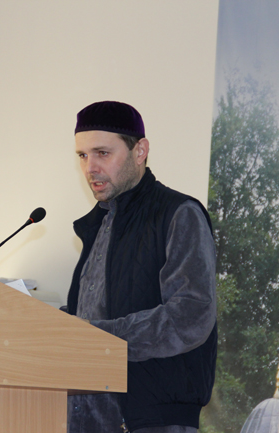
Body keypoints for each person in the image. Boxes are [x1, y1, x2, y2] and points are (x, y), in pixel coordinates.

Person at [65, 101, 217, 433]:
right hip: (86, 417)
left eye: (102, 153)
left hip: (153, 420)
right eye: (83, 155)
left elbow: (191, 315)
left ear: (140, 151)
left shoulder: (179, 214)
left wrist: (95, 336)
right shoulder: (96, 226)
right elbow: (92, 314)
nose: (90, 167)